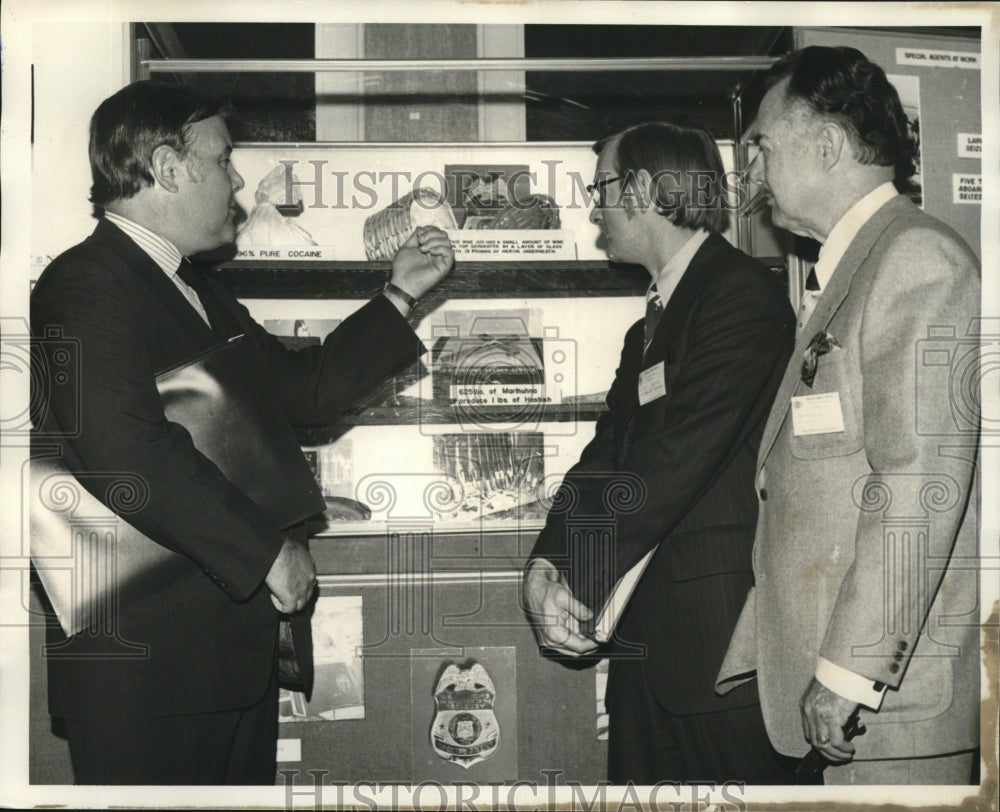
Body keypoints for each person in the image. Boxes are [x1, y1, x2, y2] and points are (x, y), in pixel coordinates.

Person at [30, 80, 454, 785]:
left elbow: (304, 392)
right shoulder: (87, 285)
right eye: (223, 160)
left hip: (217, 666)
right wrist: (265, 555)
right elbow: (126, 450)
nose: (238, 180)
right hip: (146, 675)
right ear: (168, 168)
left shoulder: (195, 288)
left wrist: (401, 294)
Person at [715, 46, 981, 785]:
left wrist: (851, 671)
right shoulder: (859, 264)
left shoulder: (915, 261)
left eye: (762, 145)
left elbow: (918, 486)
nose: (754, 171)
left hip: (883, 712)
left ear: (827, 144)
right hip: (842, 706)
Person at [522, 121, 797, 784]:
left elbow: (677, 459)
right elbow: (605, 461)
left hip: (721, 655)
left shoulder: (739, 297)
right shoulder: (649, 326)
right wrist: (546, 568)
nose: (594, 208)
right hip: (650, 658)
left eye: (602, 189)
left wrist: (578, 580)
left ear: (645, 189)